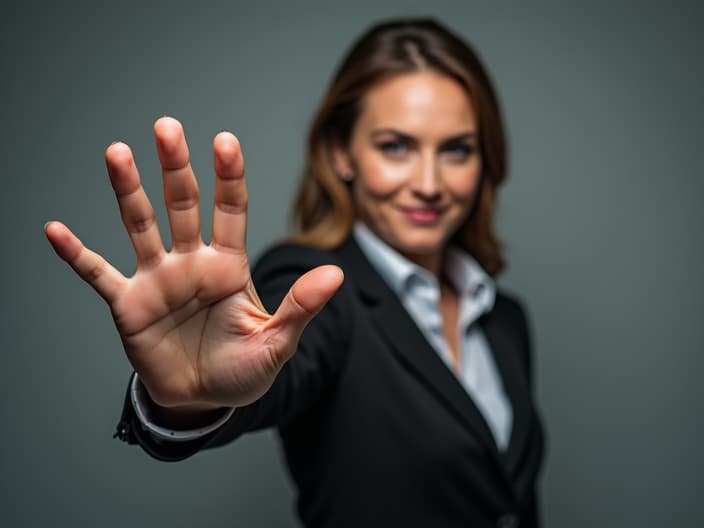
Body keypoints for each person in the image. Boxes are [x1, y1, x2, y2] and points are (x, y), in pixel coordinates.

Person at [46, 18, 544, 528]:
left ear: (485, 159)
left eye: (457, 149)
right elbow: (270, 369)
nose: (429, 183)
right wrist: (190, 396)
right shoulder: (312, 285)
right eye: (396, 146)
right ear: (340, 153)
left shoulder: (504, 318)